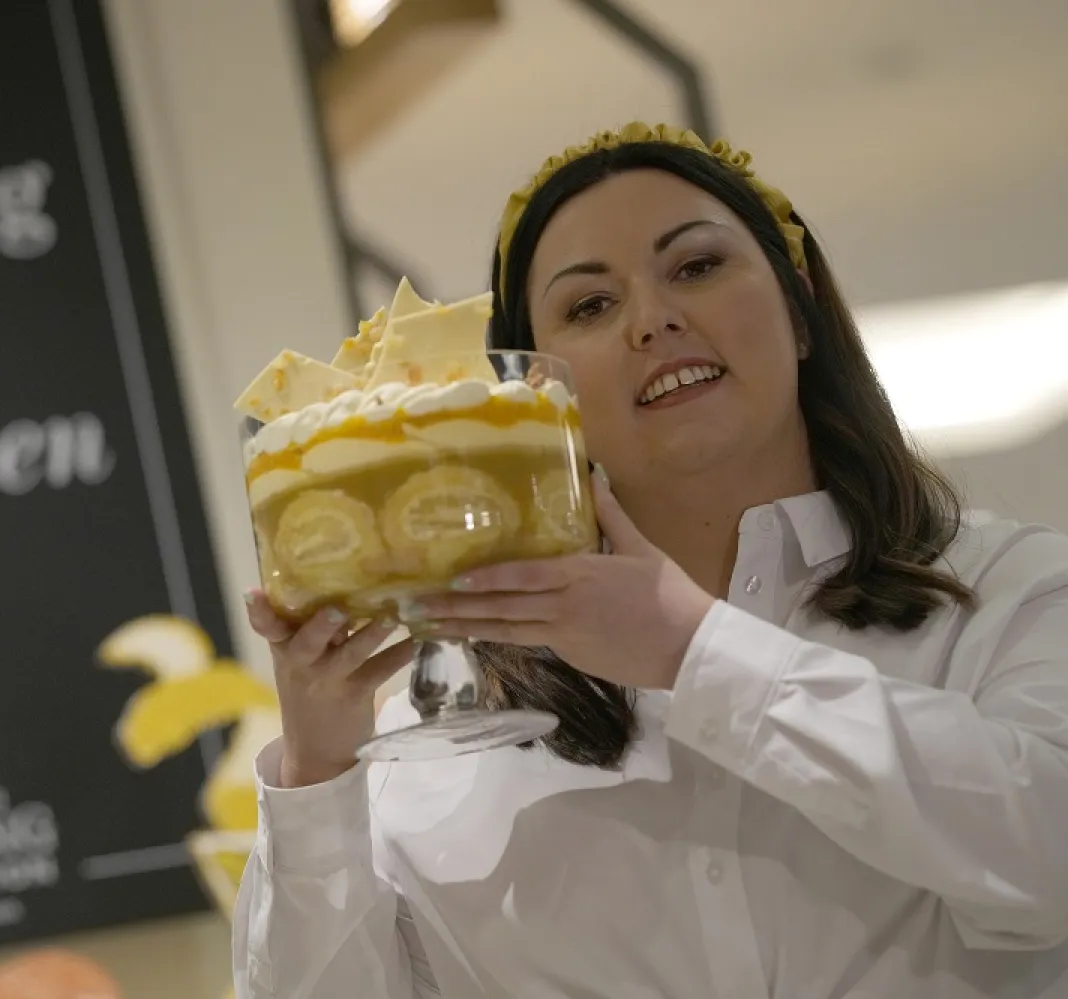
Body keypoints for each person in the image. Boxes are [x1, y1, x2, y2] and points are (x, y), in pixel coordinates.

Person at [230, 122, 1068, 998]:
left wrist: (696, 654)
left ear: (802, 308)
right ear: (536, 396)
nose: (653, 318)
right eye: (590, 306)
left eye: (696, 266)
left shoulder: (1009, 593)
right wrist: (317, 777)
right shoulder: (432, 739)